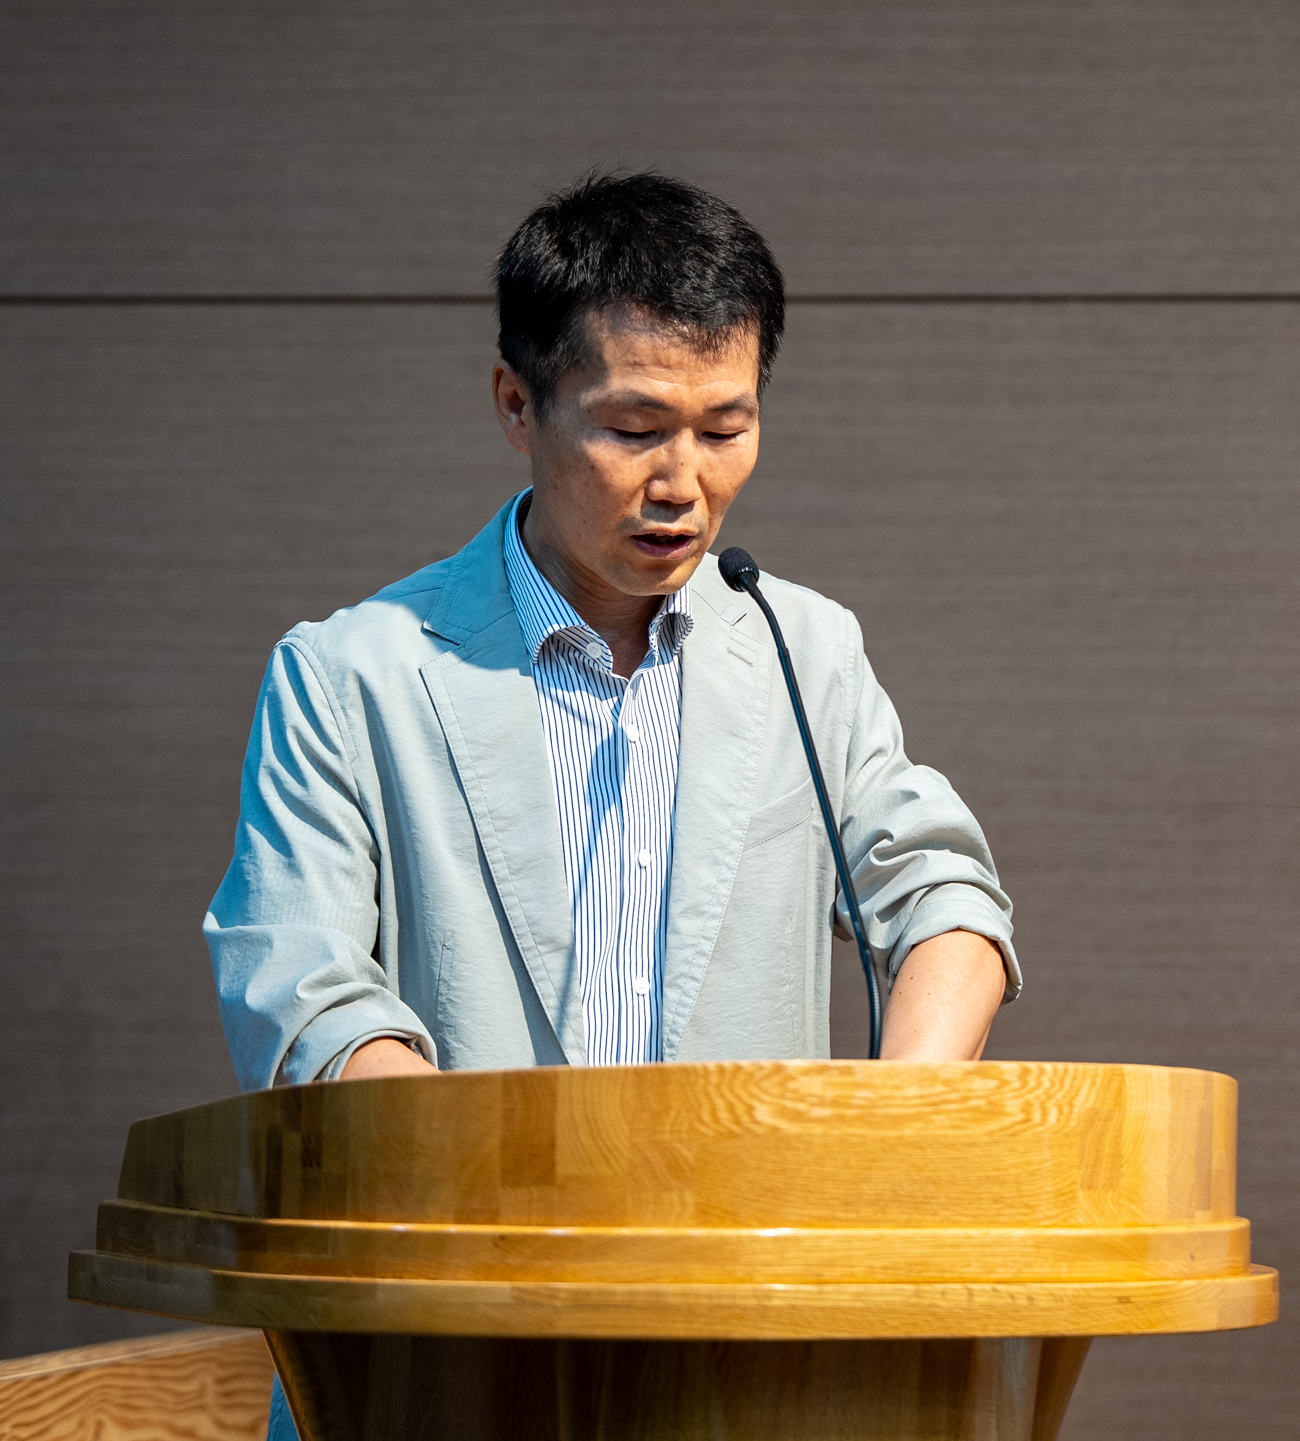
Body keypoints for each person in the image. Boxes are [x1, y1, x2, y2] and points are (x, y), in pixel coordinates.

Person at [204, 172, 1016, 1089]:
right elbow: (304, 996)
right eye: (634, 429)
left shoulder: (806, 649)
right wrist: (493, 1168)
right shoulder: (348, 677)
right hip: (473, 1187)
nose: (681, 484)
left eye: (724, 431)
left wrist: (898, 1116)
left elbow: (943, 892)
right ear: (518, 404)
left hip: (753, 1185)